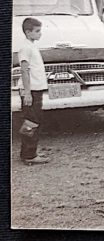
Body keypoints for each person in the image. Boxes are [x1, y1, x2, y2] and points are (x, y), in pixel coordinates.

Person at [18, 17, 50, 164]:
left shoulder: (32, 46)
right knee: (31, 122)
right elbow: (24, 71)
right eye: (37, 31)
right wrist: (27, 92)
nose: (40, 34)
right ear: (28, 32)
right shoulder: (25, 48)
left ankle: (28, 152)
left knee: (34, 121)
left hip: (36, 89)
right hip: (31, 91)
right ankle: (29, 155)